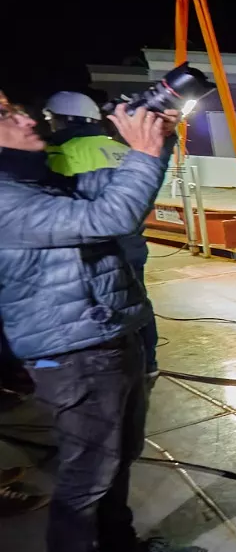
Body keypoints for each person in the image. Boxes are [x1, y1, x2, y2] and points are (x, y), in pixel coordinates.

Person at [0, 91, 203, 552]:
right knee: (86, 474)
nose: (24, 115)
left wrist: (154, 141)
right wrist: (139, 151)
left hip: (110, 335)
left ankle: (121, 549)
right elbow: (111, 217)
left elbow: (118, 199)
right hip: (74, 351)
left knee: (118, 456)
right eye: (4, 114)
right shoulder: (5, 199)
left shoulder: (36, 180)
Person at [42, 90, 159, 379]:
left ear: (59, 121)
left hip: (89, 251)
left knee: (92, 313)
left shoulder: (55, 155)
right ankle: (149, 363)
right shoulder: (122, 148)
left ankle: (109, 372)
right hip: (131, 242)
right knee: (137, 301)